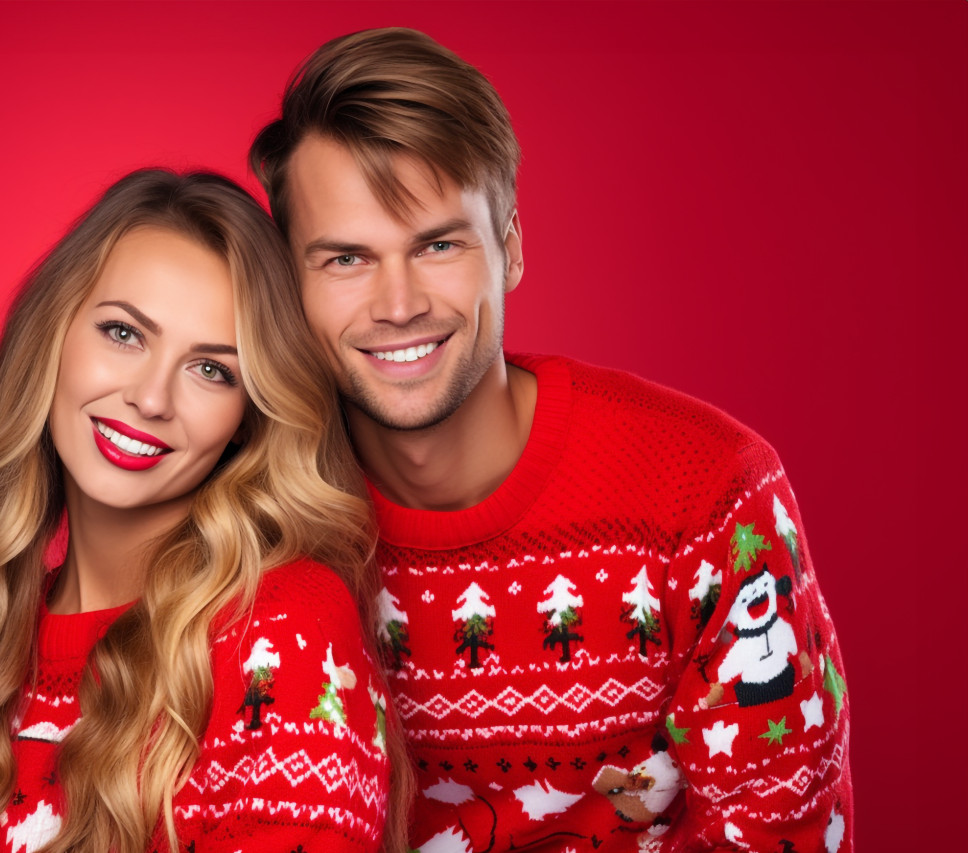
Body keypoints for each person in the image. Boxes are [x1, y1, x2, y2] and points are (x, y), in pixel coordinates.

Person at [250, 28, 853, 852]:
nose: (398, 304)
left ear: (510, 249)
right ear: (289, 286)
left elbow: (783, 828)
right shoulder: (253, 515)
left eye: (438, 245)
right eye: (346, 259)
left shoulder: (708, 491)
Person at [0, 170, 408, 853]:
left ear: (247, 419)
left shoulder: (280, 624)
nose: (151, 399)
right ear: (52, 334)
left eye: (212, 370)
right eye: (123, 333)